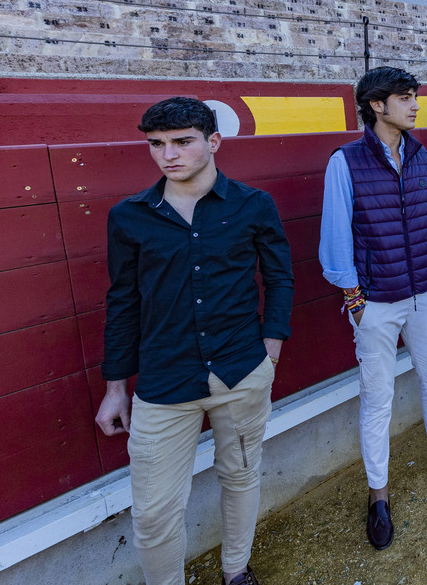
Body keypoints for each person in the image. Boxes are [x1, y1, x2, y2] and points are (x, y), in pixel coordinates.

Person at [95, 97, 293, 585]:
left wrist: (271, 348)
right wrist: (116, 387)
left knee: (241, 476)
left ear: (213, 142)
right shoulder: (129, 216)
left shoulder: (253, 204)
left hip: (242, 369)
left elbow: (279, 278)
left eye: (182, 142)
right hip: (164, 379)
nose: (169, 155)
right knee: (154, 512)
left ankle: (235, 571)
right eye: (156, 144)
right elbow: (123, 302)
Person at [319, 67, 427, 551]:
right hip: (374, 301)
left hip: (422, 292)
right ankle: (379, 494)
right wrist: (355, 301)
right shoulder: (344, 162)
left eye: (415, 97)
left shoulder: (421, 155)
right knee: (378, 396)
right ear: (376, 105)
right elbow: (335, 238)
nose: (414, 105)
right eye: (405, 98)